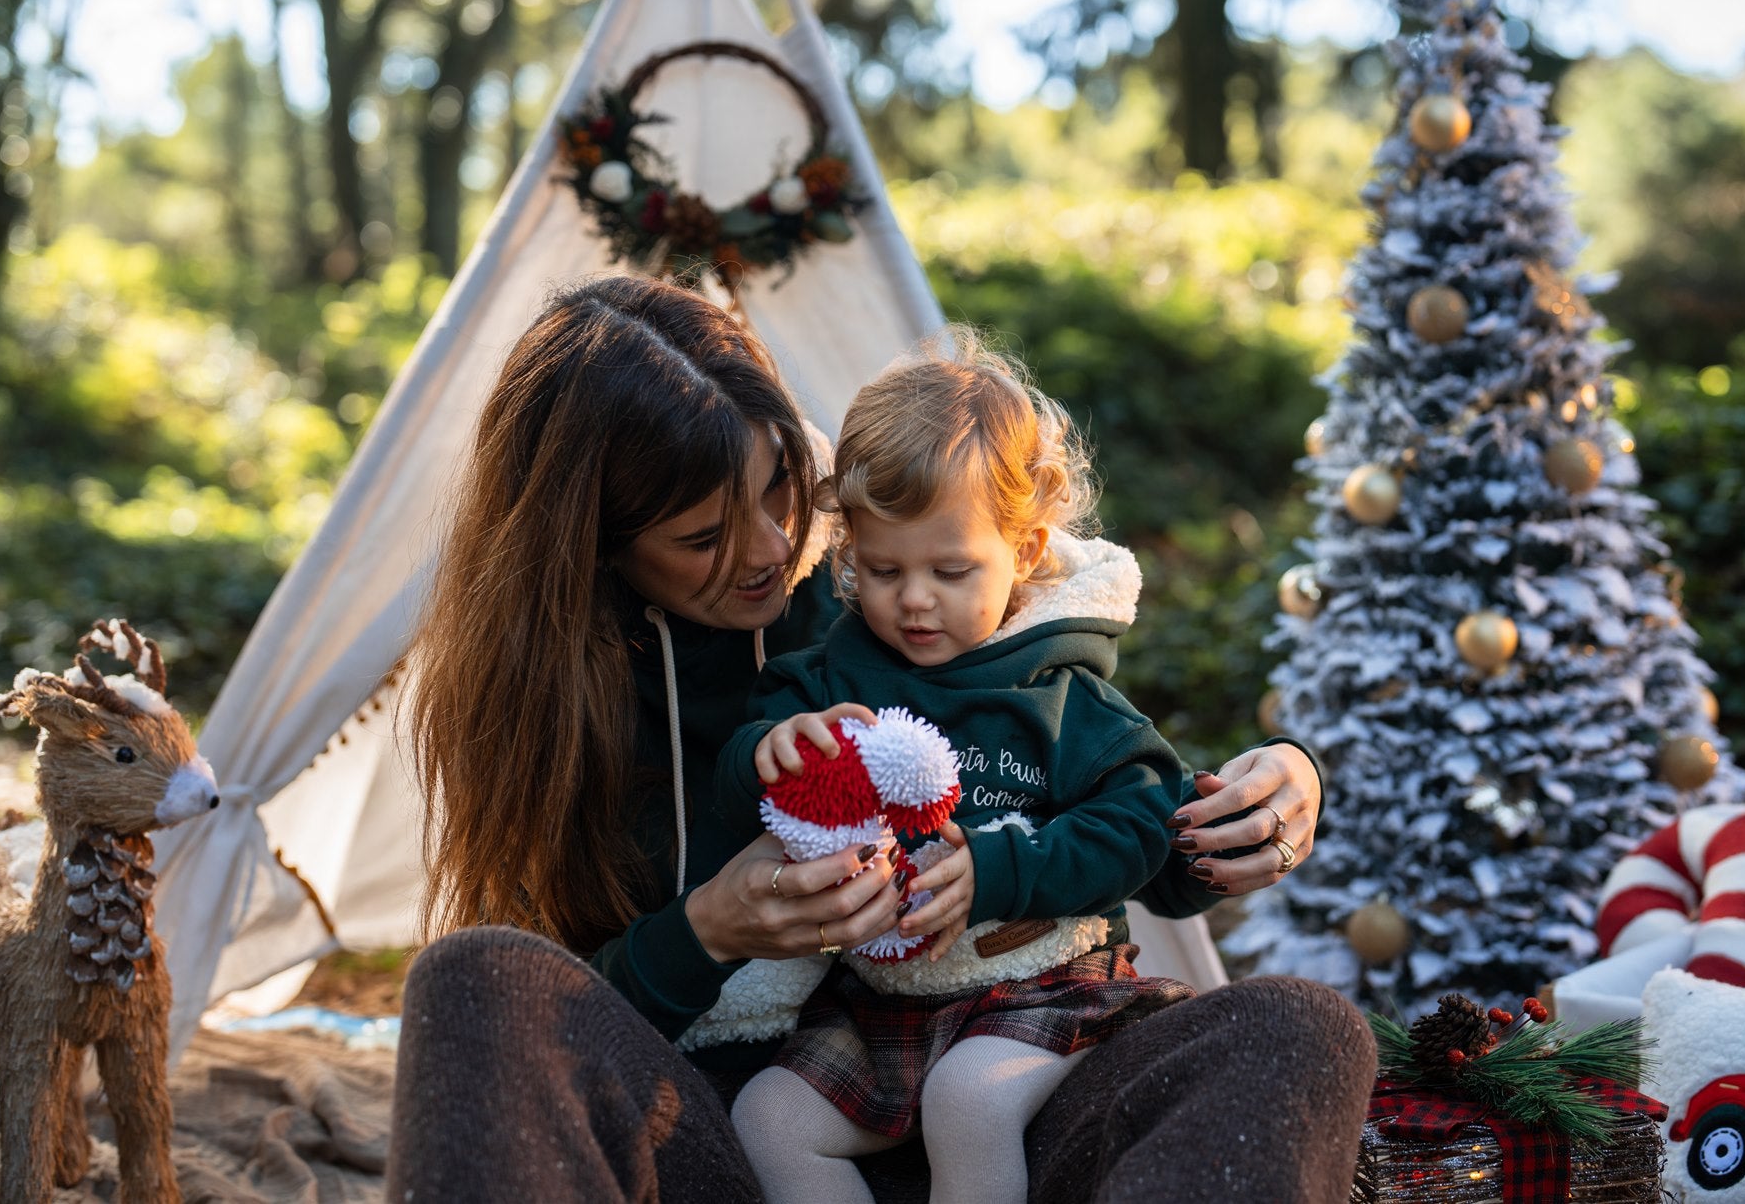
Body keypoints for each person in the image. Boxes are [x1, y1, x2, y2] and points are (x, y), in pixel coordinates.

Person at [387, 274, 1375, 1203]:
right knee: (472, 981)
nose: (775, 549)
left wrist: (1286, 786)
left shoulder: (891, 581)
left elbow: (1136, 827)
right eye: (703, 538)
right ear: (595, 545)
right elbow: (567, 1027)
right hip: (740, 1134)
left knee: (1297, 1025)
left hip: (1009, 1097)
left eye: (782, 490)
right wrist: (710, 931)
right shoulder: (550, 705)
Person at [724, 335, 1194, 1203]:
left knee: (968, 1104)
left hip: (1037, 987)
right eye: (882, 568)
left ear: (1025, 551)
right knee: (768, 1120)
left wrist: (1004, 870)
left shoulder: (1059, 691)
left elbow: (1141, 824)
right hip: (880, 999)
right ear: (848, 553)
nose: (912, 599)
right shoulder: (833, 674)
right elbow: (752, 745)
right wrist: (770, 747)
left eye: (950, 570)